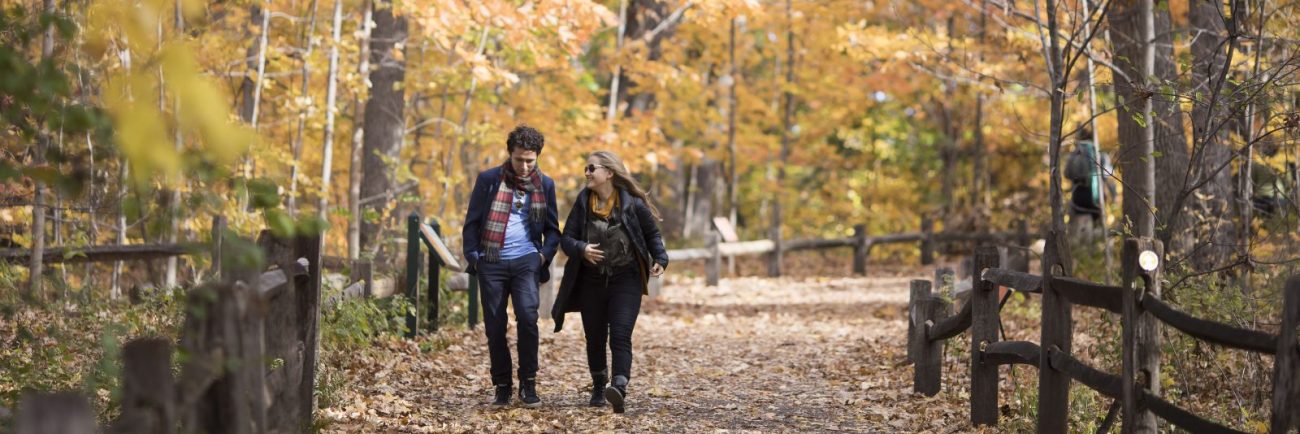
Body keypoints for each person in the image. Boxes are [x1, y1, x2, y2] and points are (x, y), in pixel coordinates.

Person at [552, 150, 668, 414]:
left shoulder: (632, 204)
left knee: (620, 334)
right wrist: (581, 248)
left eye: (592, 168)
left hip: (626, 278)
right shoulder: (583, 202)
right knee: (594, 337)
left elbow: (652, 235)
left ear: (609, 173)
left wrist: (661, 258)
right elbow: (566, 239)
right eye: (586, 168)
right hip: (591, 281)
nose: (587, 173)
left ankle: (619, 387)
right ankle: (598, 385)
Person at [462, 125, 561, 408]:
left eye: (530, 160)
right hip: (491, 262)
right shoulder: (489, 180)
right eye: (519, 159)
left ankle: (528, 382)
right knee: (495, 326)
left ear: (537, 157)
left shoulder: (546, 185)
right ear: (510, 154)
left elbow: (553, 230)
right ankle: (502, 385)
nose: (525, 166)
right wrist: (475, 257)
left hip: (526, 260)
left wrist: (542, 256)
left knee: (528, 318)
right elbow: (472, 223)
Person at [1064, 126, 1113, 235]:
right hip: (1097, 199)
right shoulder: (1101, 155)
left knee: (1079, 233)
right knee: (1097, 232)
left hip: (1078, 198)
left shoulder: (1074, 155)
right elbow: (1108, 176)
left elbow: (1067, 174)